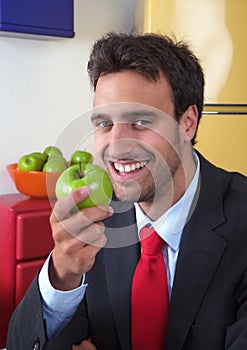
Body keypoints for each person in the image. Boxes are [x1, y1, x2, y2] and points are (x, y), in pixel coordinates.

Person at [7, 32, 247, 350]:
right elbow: (23, 343)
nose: (117, 145)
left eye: (140, 121)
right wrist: (63, 275)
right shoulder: (94, 216)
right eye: (104, 124)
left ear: (187, 123)